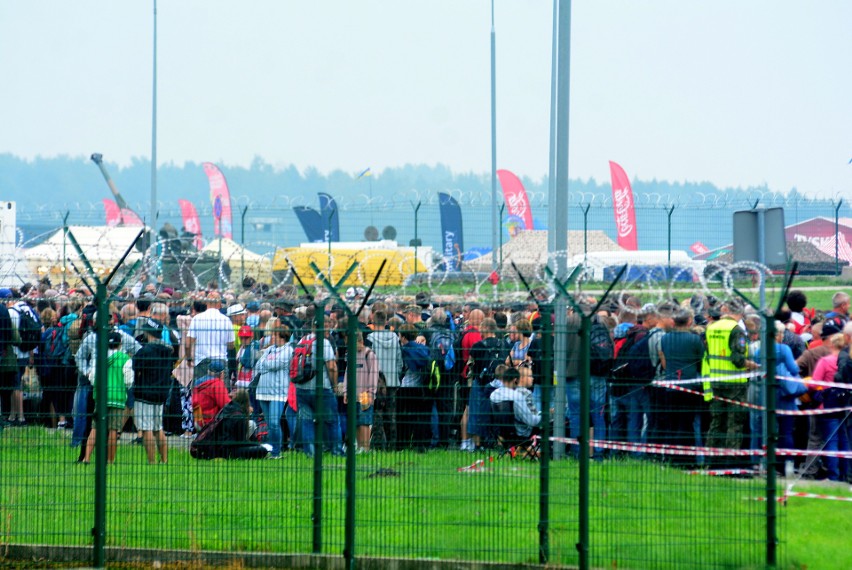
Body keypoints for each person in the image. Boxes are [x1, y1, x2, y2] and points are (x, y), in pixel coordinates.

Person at [703, 300, 760, 459]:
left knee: (716, 423)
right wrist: (753, 366)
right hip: (735, 383)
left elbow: (709, 354)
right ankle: (731, 463)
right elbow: (737, 359)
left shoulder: (711, 328)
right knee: (734, 424)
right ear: (740, 313)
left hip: (716, 381)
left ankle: (711, 460)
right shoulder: (736, 330)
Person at [295, 306, 344, 458]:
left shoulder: (303, 340)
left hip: (301, 387)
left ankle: (310, 453)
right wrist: (335, 386)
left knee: (307, 421)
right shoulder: (323, 342)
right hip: (321, 387)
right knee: (332, 420)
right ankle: (336, 450)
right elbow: (331, 366)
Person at [82, 332, 134, 465]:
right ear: (120, 343)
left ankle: (86, 458)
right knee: (113, 430)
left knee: (95, 428)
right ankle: (110, 460)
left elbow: (93, 378)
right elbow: (129, 381)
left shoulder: (100, 359)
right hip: (117, 398)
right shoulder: (125, 359)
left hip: (101, 397)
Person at [132, 319, 175, 464]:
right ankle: (164, 460)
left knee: (146, 429)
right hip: (161, 393)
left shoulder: (144, 351)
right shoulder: (168, 351)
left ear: (148, 332)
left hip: (144, 393)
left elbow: (136, 371)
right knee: (158, 429)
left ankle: (152, 462)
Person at [190, 389, 268, 460]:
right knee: (262, 450)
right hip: (228, 451)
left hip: (217, 447)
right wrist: (255, 445)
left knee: (256, 446)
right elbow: (240, 442)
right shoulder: (240, 416)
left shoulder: (226, 409)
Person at [254, 322, 293, 459]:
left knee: (275, 422)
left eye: (274, 335)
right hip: (262, 391)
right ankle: (271, 450)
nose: (271, 338)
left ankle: (277, 451)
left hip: (278, 393)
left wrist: (265, 364)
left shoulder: (288, 351)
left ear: (281, 336)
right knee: (270, 424)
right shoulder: (270, 349)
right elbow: (258, 365)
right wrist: (266, 364)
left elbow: (275, 364)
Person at [342, 331, 379, 452]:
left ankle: (365, 448)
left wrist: (371, 392)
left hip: (365, 394)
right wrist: (346, 391)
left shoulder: (369, 354)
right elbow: (348, 373)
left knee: (365, 422)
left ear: (361, 342)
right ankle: (359, 447)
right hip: (353, 395)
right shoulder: (351, 355)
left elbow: (374, 374)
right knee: (356, 421)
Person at [186, 294, 234, 384]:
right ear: (219, 304)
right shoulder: (226, 320)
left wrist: (189, 359)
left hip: (201, 362)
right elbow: (231, 345)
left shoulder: (197, 319)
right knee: (221, 395)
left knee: (201, 394)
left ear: (206, 303)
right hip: (221, 362)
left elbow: (188, 344)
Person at [192, 359, 231, 429]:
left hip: (198, 421)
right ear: (221, 374)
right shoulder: (217, 384)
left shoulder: (198, 383)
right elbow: (226, 405)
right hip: (211, 423)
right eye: (223, 373)